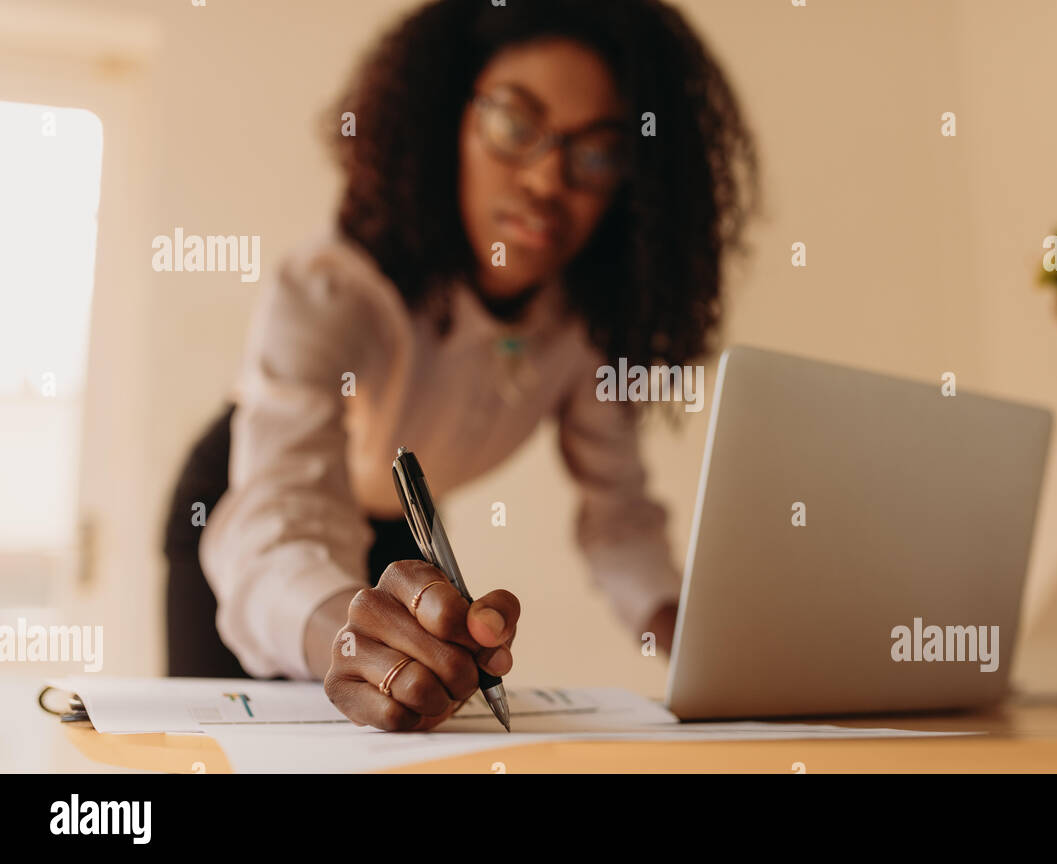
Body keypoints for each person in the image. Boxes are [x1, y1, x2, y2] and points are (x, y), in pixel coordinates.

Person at [162, 0, 757, 731]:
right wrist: (343, 637)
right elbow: (279, 529)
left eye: (597, 151)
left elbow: (620, 517)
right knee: (233, 741)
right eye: (514, 123)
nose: (546, 179)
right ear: (447, 118)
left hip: (394, 528)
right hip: (248, 501)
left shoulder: (584, 327)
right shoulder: (333, 288)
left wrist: (706, 651)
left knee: (401, 722)